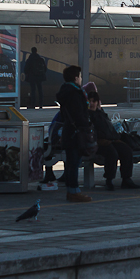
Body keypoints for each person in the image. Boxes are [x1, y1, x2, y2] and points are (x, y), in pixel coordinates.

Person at [86, 91, 139, 191]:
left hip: (110, 140)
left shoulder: (101, 113)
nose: (92, 103)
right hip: (97, 143)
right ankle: (109, 180)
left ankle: (126, 178)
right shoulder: (87, 115)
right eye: (90, 101)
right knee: (111, 153)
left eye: (94, 101)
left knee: (126, 151)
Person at [56, 65, 92, 203]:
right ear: (76, 77)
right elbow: (79, 114)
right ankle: (74, 191)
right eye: (80, 76)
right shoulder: (75, 93)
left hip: (68, 131)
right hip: (76, 133)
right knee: (74, 162)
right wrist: (86, 124)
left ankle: (72, 190)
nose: (81, 79)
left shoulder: (65, 92)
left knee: (71, 162)